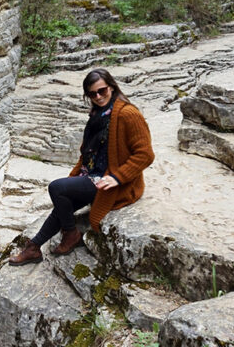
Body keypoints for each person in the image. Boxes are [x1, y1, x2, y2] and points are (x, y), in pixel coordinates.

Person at [9, 68, 155, 265]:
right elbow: (87, 153)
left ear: (111, 87)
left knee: (57, 188)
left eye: (102, 91)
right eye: (92, 94)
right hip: (94, 175)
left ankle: (70, 235)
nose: (98, 96)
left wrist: (118, 177)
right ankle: (35, 247)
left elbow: (145, 154)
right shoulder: (98, 114)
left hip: (113, 183)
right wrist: (73, 178)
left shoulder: (128, 114)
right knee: (63, 204)